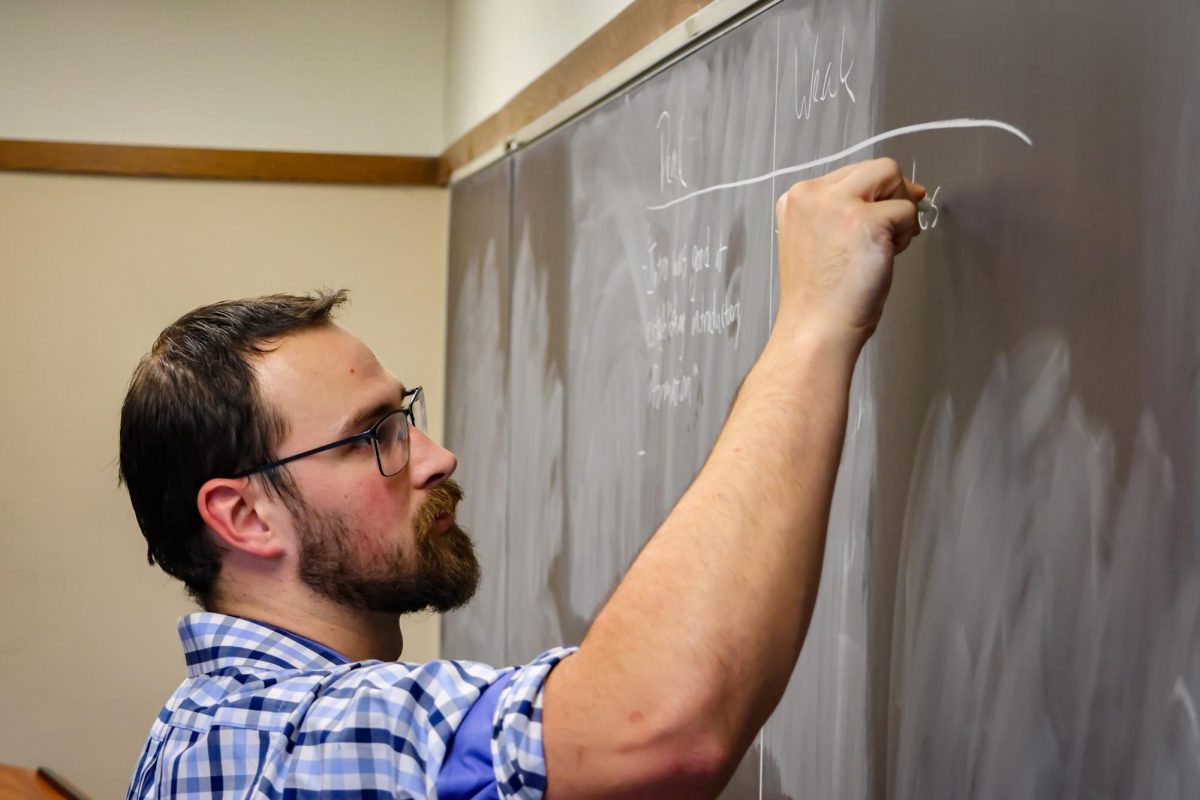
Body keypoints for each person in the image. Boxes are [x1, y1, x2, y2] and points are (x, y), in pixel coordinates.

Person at [120, 159, 924, 799]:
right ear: (245, 517)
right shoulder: (282, 741)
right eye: (375, 437)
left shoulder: (198, 728)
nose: (436, 458)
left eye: (406, 417)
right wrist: (815, 319)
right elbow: (655, 728)